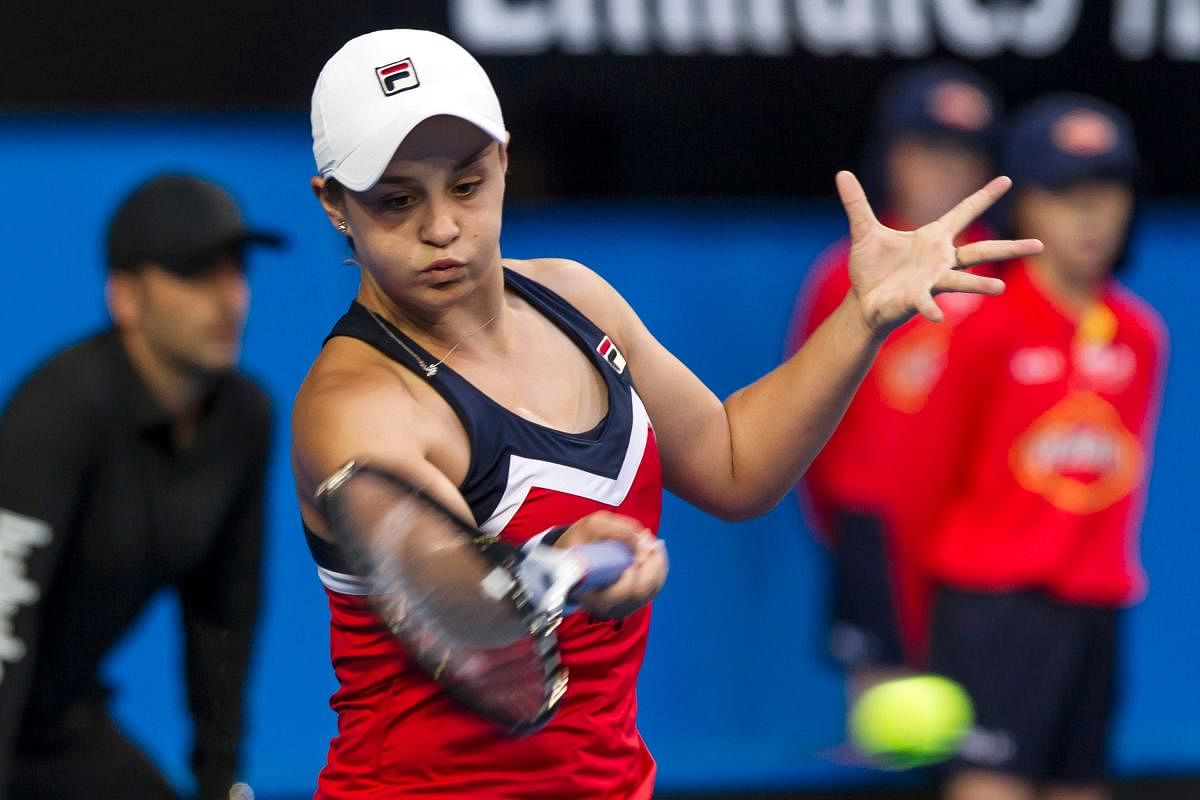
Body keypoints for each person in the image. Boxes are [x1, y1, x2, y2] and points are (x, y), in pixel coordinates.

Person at [292, 29, 1039, 799]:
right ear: (334, 204)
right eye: (397, 200)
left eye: (468, 183)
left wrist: (862, 316)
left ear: (506, 160)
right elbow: (465, 607)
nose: (442, 227)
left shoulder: (577, 300)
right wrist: (563, 556)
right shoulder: (355, 406)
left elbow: (734, 462)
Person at [0, 175, 281, 800]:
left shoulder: (244, 419)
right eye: (195, 274)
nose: (230, 298)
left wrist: (219, 781)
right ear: (125, 297)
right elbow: (2, 624)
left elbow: (223, 617)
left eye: (236, 270)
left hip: (57, 730)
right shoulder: (58, 411)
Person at [919, 95, 1167, 800]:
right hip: (994, 610)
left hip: (1096, 607)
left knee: (1080, 783)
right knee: (990, 784)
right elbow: (929, 477)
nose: (1092, 214)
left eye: (1109, 189)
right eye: (1065, 193)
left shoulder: (1141, 334)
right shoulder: (981, 323)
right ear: (1022, 205)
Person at [785, 63, 1002, 687]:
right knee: (886, 720)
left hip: (979, 538)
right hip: (873, 529)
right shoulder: (843, 272)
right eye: (927, 147)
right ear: (892, 154)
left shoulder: (1008, 273)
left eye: (963, 152)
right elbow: (805, 414)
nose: (944, 167)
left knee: (985, 725)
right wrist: (853, 521)